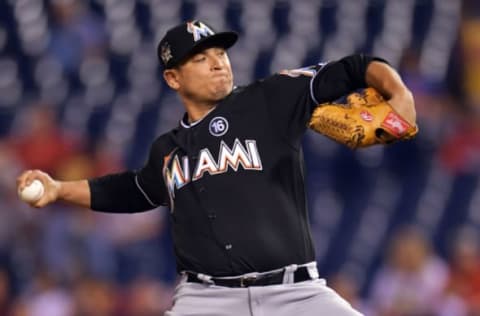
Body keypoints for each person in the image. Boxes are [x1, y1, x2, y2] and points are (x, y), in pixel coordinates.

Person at [17, 20, 416, 316]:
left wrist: (397, 91)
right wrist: (57, 189)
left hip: (296, 294)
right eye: (201, 58)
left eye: (220, 54)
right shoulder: (167, 149)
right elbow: (134, 190)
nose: (218, 63)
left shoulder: (270, 99)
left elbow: (355, 67)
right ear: (173, 78)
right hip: (206, 300)